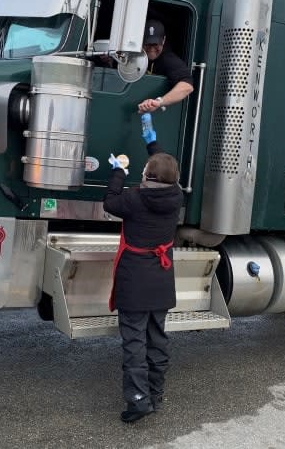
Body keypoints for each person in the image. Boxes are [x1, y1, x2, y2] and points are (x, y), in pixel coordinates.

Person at [103, 114, 183, 423]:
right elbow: (165, 168)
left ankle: (138, 402)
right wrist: (151, 139)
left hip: (135, 282)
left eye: (145, 169)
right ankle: (155, 395)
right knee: (157, 338)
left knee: (134, 342)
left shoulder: (134, 199)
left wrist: (118, 171)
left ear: (147, 176)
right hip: (161, 282)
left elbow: (110, 201)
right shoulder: (175, 196)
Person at [137, 19, 194, 113]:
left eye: (156, 44)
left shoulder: (168, 59)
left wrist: (158, 102)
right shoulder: (132, 55)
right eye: (147, 44)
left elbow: (187, 87)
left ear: (163, 40)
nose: (151, 49)